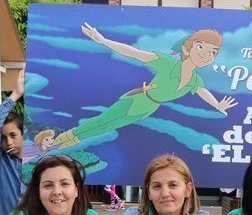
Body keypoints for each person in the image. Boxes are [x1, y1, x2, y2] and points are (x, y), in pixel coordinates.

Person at [52, 25, 237, 150]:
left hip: (149, 108)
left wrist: (218, 105)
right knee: (103, 120)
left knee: (108, 126)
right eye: (201, 48)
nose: (206, 55)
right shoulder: (168, 64)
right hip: (138, 99)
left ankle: (73, 140)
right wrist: (103, 41)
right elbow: (135, 53)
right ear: (187, 49)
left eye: (212, 52)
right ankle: (68, 136)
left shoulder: (194, 79)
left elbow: (203, 92)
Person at [0, 69, 38, 215]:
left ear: (24, 134)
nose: (8, 142)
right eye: (3, 138)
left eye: (13, 135)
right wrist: (15, 94)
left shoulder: (37, 163)